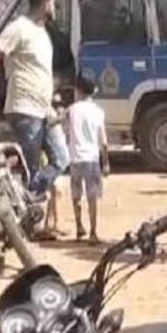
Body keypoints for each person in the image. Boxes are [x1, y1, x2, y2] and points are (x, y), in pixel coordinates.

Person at [0, 0, 68, 198]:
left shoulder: (43, 32)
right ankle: (24, 200)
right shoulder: (19, 27)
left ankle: (25, 195)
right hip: (25, 109)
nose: (55, 7)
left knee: (61, 158)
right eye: (53, 3)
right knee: (31, 167)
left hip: (44, 110)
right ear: (44, 3)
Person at [65, 72, 110, 244]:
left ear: (77, 90)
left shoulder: (72, 110)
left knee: (76, 195)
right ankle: (93, 232)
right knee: (92, 197)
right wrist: (106, 162)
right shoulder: (98, 112)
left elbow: (66, 132)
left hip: (75, 158)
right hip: (92, 159)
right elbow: (103, 141)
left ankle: (79, 227)